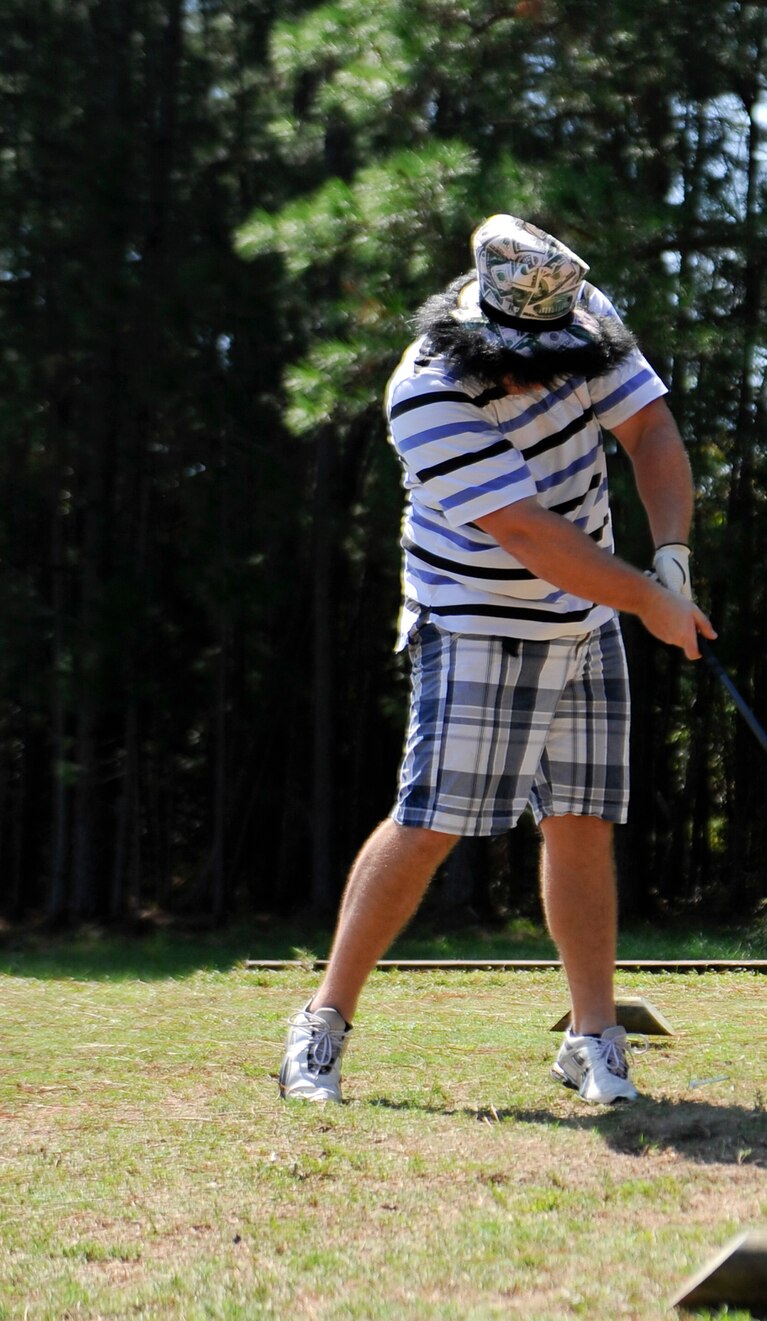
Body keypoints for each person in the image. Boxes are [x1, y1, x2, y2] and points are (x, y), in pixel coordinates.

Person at [278, 215, 713, 1105]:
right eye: (516, 351)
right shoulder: (427, 393)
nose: (533, 364)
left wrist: (671, 556)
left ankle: (595, 1039)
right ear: (478, 324)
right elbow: (528, 536)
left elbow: (653, 434)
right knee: (433, 819)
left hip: (589, 609)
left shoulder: (585, 317)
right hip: (476, 613)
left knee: (584, 819)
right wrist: (649, 600)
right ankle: (320, 1025)